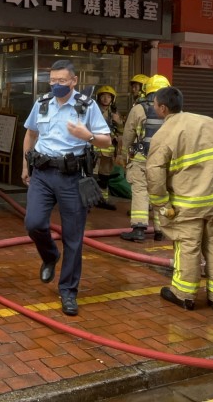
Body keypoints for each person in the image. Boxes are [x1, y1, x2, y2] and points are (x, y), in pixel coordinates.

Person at [22, 59, 111, 316]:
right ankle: (50, 255)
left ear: (73, 81)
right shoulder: (42, 103)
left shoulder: (87, 106)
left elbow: (106, 141)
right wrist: (25, 166)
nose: (56, 85)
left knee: (73, 239)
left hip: (72, 178)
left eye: (62, 81)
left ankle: (68, 291)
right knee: (34, 223)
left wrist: (88, 136)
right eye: (52, 81)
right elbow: (30, 134)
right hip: (42, 174)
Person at [145, 86, 213, 312]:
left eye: (155, 105)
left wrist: (161, 203)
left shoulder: (164, 134)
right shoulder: (210, 123)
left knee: (188, 247)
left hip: (186, 206)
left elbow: (155, 172)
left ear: (162, 108)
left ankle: (183, 294)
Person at [117, 75, 169, 242]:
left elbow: (128, 135)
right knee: (160, 193)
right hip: (164, 161)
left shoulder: (139, 109)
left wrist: (124, 154)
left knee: (140, 191)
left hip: (141, 158)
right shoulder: (173, 110)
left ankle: (139, 229)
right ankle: (160, 230)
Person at [93, 85, 121, 211]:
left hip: (108, 152)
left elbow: (121, 132)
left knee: (104, 177)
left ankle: (102, 200)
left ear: (112, 99)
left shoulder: (114, 113)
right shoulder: (92, 110)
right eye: (103, 96)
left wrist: (118, 122)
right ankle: (89, 200)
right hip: (94, 150)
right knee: (91, 176)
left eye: (108, 96)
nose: (105, 99)